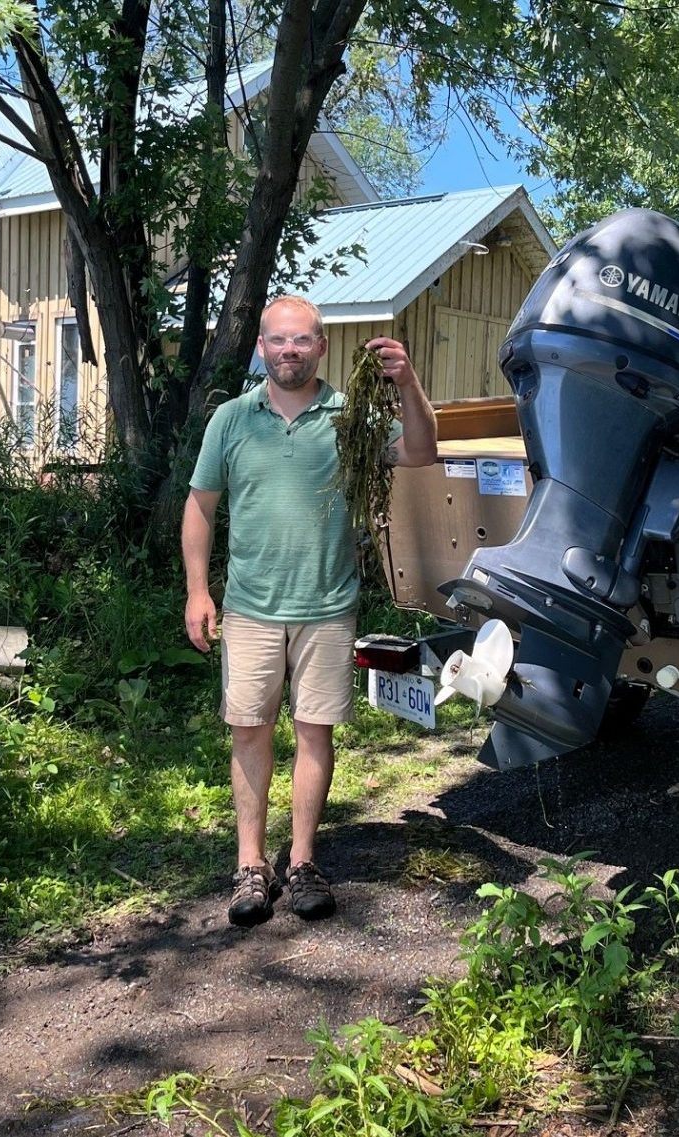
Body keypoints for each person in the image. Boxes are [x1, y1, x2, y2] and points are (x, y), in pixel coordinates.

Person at [181, 295, 437, 927]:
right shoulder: (232, 421)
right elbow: (200, 506)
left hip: (327, 606)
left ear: (322, 346)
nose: (288, 350)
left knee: (313, 731)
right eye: (277, 341)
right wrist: (197, 590)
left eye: (301, 340)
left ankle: (301, 862)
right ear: (261, 347)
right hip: (250, 607)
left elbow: (422, 451)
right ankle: (250, 866)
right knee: (249, 730)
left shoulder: (350, 418)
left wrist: (408, 383)